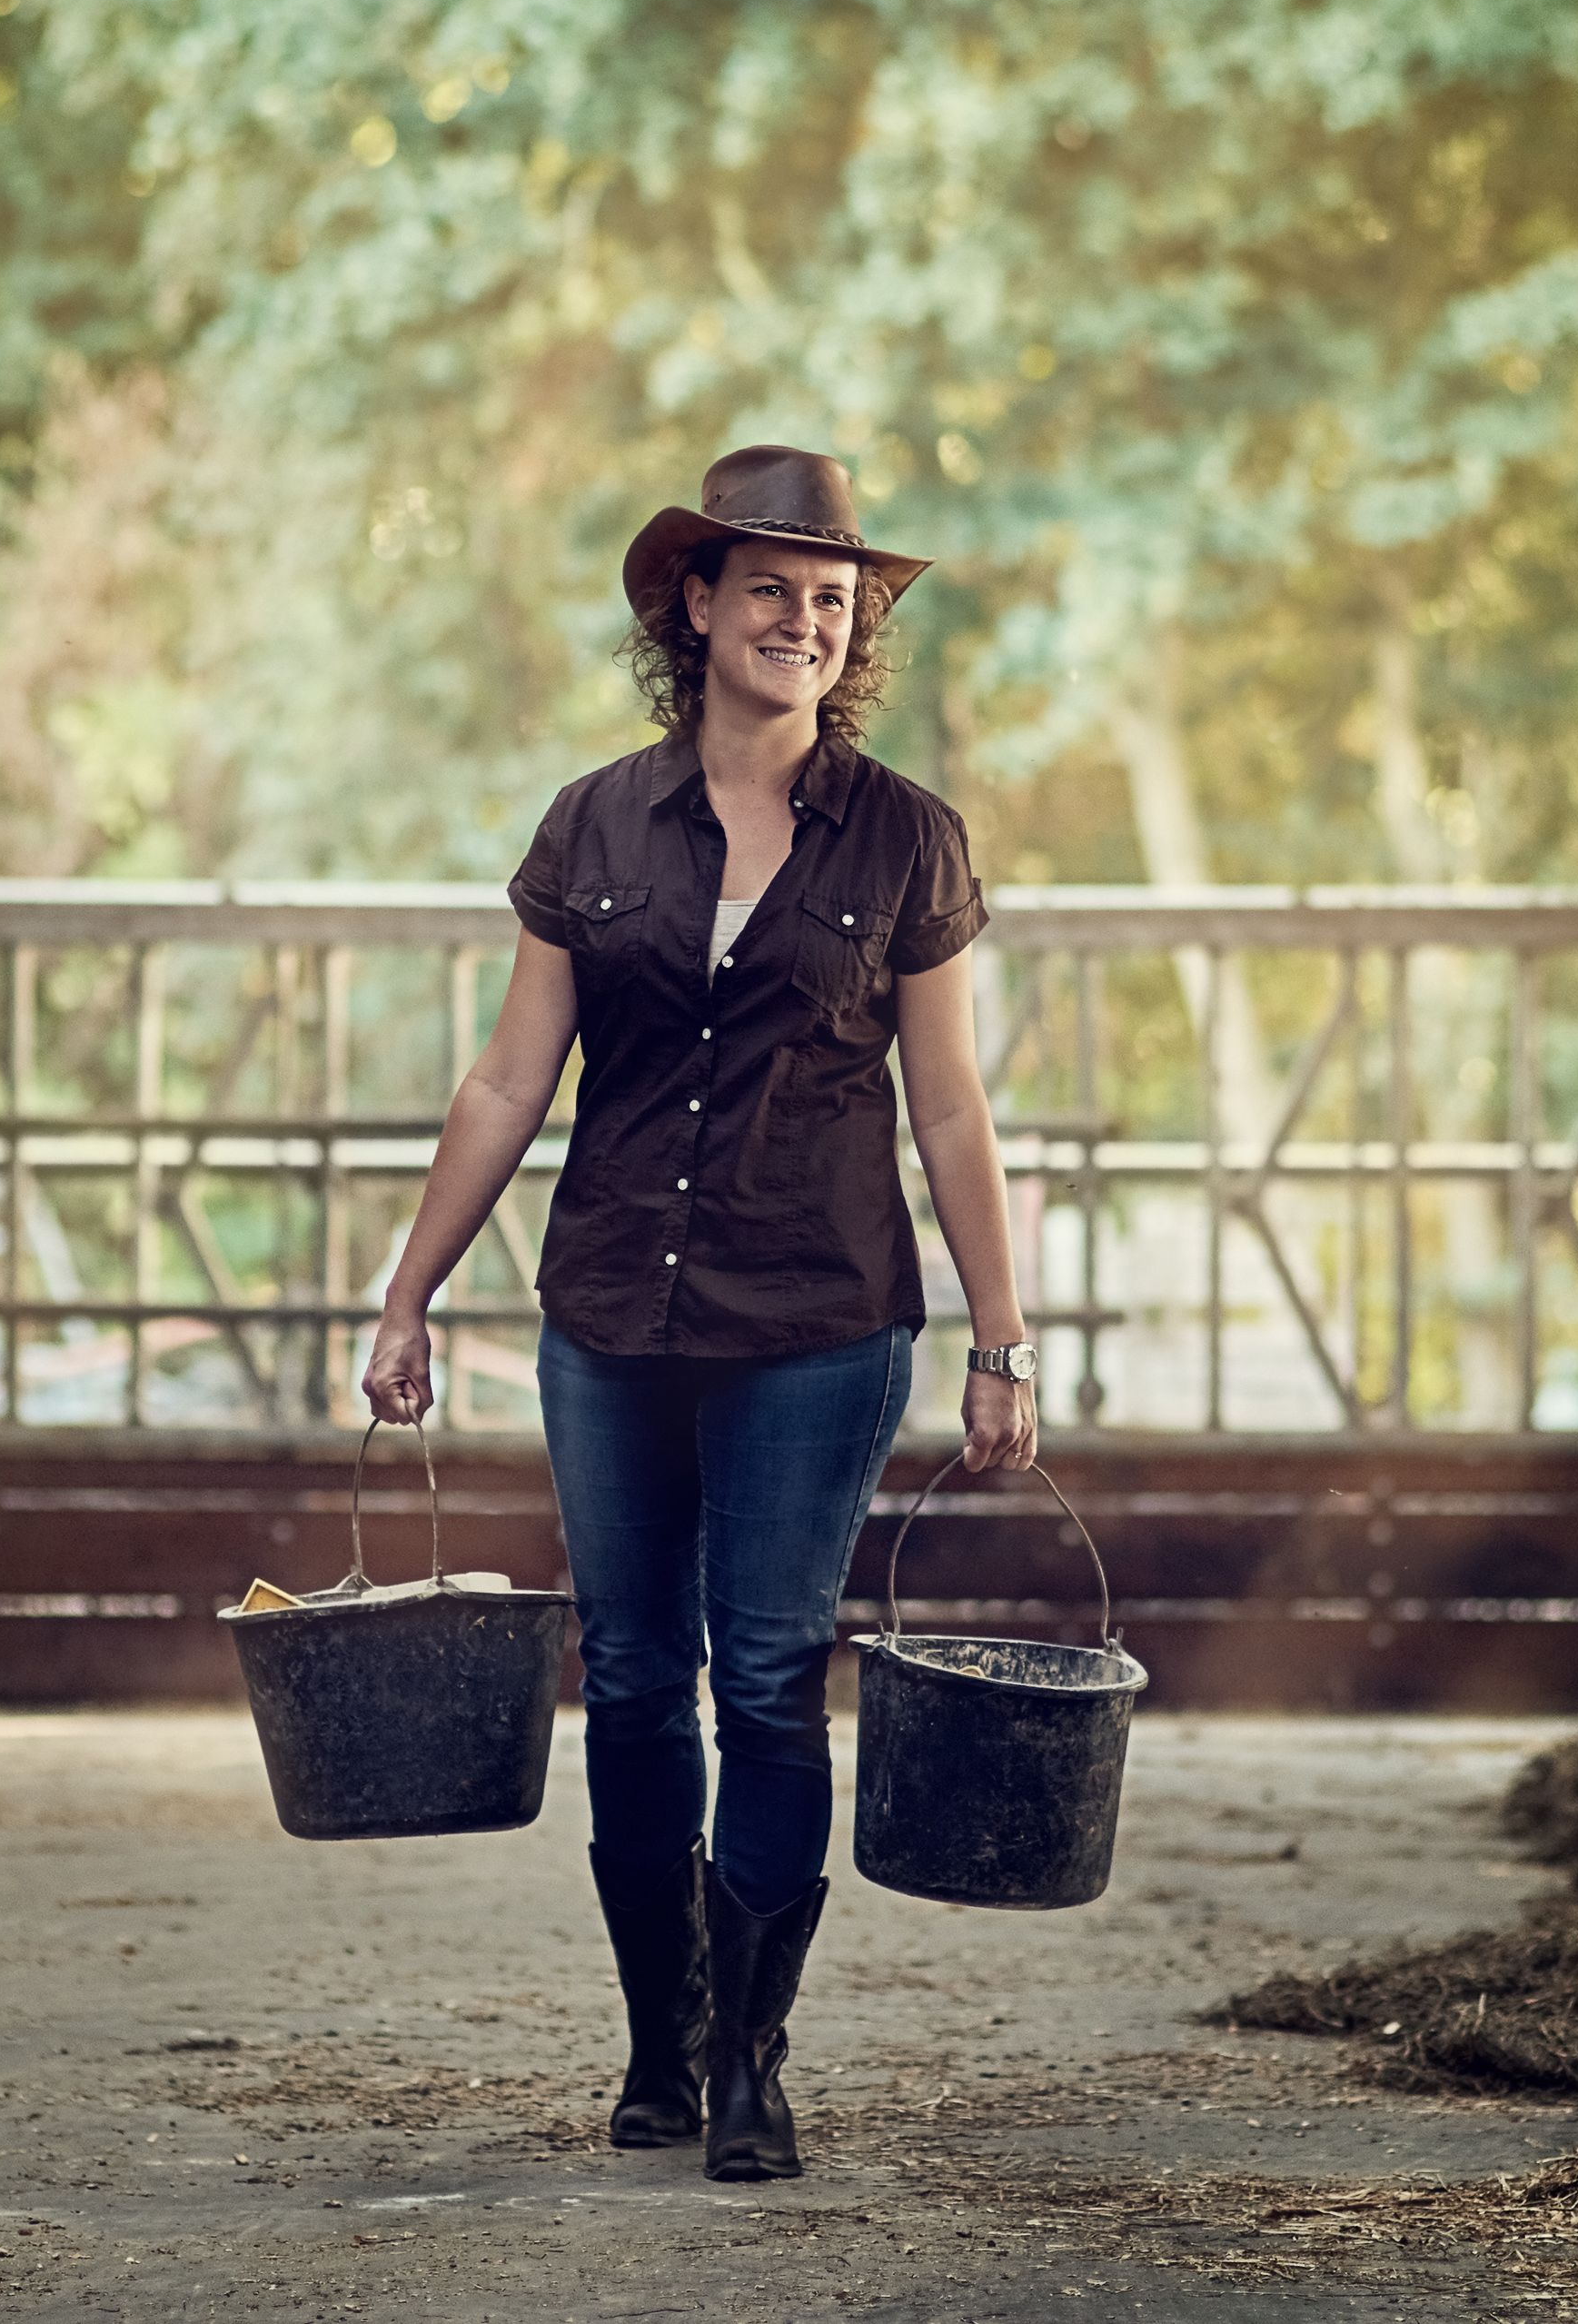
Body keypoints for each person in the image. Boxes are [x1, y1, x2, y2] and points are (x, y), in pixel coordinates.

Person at [360, 443, 1042, 2186]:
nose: (804, 621)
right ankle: (657, 2046)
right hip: (609, 1320)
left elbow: (952, 1110)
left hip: (817, 1324)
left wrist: (1001, 1335)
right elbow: (513, 1079)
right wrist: (409, 1290)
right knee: (640, 1679)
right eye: (771, 591)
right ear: (696, 604)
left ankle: (754, 2061)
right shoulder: (595, 823)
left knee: (765, 1677)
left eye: (833, 601)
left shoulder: (906, 839)